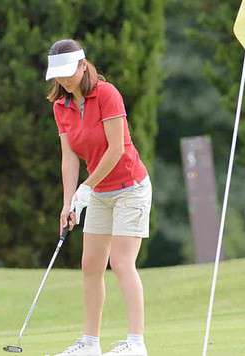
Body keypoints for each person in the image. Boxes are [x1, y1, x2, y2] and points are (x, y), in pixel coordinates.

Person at [46, 39, 152, 356]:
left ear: (83, 65)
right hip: (99, 191)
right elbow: (69, 157)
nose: (63, 79)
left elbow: (116, 149)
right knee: (91, 265)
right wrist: (68, 202)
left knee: (121, 262)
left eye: (68, 72)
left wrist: (87, 188)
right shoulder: (60, 106)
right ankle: (90, 344)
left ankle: (136, 343)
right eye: (58, 74)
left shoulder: (106, 94)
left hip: (130, 187)